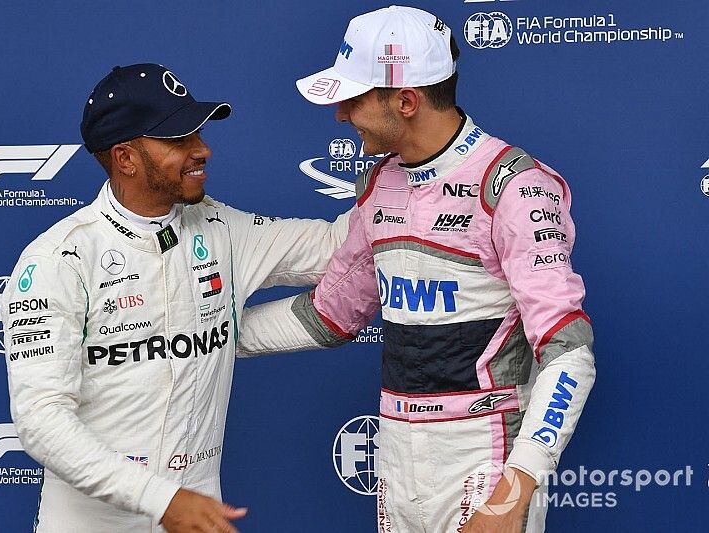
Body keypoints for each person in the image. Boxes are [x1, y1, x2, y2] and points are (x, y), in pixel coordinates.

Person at [238, 6, 595, 533]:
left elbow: (570, 352)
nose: (340, 114)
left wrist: (513, 492)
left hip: (484, 457)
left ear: (405, 101)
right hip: (396, 456)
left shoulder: (514, 185)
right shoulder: (380, 184)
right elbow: (330, 315)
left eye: (354, 98)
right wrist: (209, 335)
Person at [1, 63, 350, 533]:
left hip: (197, 518)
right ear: (125, 157)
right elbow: (41, 421)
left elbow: (335, 249)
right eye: (178, 139)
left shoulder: (221, 228)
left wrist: (406, 175)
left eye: (199, 133)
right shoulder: (58, 259)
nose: (202, 149)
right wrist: (162, 499)